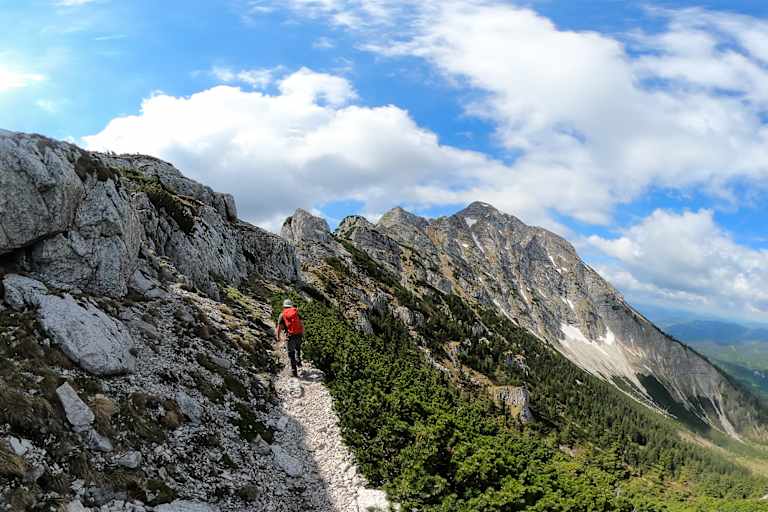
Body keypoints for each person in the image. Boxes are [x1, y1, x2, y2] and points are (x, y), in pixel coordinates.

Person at [275, 299, 304, 377]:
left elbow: (279, 327)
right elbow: (302, 323)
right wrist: (302, 333)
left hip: (290, 336)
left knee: (291, 354)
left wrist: (278, 337)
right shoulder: (296, 313)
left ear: (284, 306)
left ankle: (294, 372)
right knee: (298, 348)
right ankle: (298, 360)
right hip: (299, 334)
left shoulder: (282, 314)